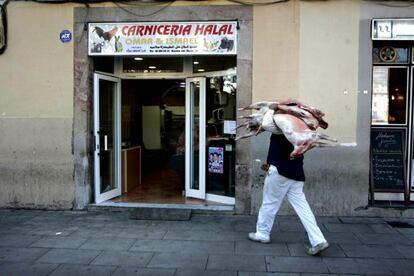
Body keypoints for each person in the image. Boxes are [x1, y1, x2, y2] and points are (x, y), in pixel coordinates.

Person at [248, 133, 329, 256]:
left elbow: (277, 149)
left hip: (279, 172)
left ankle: (262, 233)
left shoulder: (279, 128)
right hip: (296, 173)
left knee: (269, 203)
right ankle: (318, 239)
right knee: (303, 209)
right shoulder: (301, 130)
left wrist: (272, 164)